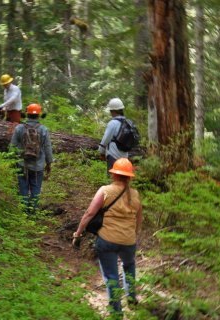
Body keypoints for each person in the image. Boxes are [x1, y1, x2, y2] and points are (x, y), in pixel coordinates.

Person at [72, 158, 143, 316]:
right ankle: (131, 298)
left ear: (114, 175)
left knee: (111, 276)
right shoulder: (135, 194)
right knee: (129, 267)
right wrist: (134, 235)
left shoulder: (105, 190)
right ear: (129, 176)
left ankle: (117, 312)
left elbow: (89, 213)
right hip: (128, 241)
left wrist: (78, 233)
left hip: (107, 240)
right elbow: (139, 219)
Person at [10, 103, 53, 214]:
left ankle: (24, 212)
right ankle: (32, 212)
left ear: (27, 114)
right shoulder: (43, 129)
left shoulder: (19, 128)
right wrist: (49, 163)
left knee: (23, 187)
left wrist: (12, 160)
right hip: (38, 166)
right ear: (39, 115)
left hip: (21, 164)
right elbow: (48, 147)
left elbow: (12, 146)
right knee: (35, 188)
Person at [99, 98, 128, 173]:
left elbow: (105, 140)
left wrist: (101, 152)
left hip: (113, 157)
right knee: (122, 180)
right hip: (125, 158)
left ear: (113, 111)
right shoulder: (127, 122)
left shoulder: (113, 123)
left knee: (113, 180)